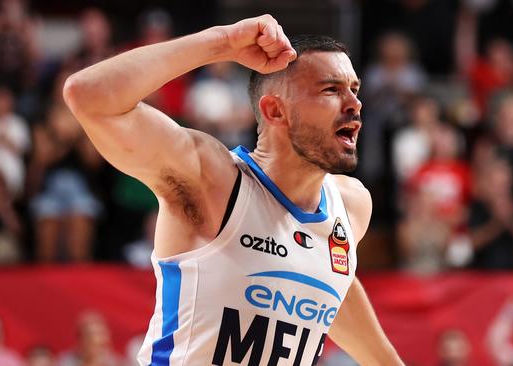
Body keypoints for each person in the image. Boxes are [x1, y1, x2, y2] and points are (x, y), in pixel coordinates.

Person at [64, 14, 404, 366]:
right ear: (274, 111)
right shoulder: (213, 179)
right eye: (331, 90)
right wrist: (221, 43)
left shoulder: (351, 204)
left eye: (355, 89)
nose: (354, 104)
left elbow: (330, 286)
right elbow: (87, 95)